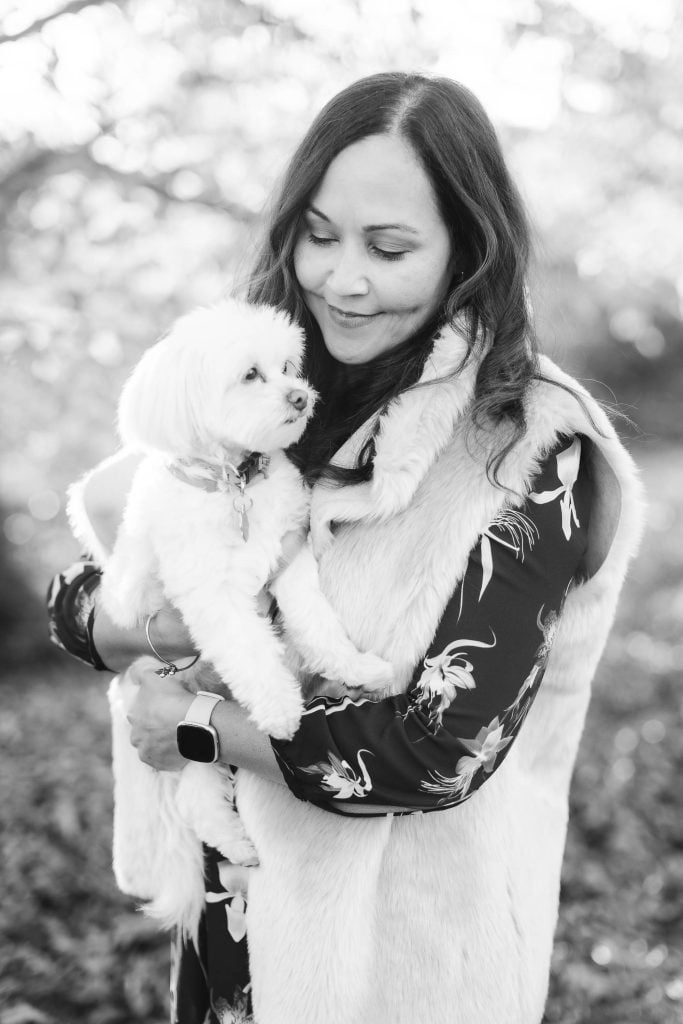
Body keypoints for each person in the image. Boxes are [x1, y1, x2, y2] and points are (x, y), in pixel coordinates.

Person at [48, 72, 643, 1024]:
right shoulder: (274, 382)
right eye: (318, 235)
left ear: (468, 250)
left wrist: (194, 722)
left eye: (390, 247)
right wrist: (166, 625)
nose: (342, 278)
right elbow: (89, 591)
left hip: (397, 970)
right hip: (236, 929)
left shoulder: (530, 452)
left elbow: (432, 753)